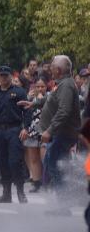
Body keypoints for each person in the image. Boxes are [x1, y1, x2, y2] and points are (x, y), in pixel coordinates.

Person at [36, 55, 81, 196]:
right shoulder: (62, 83)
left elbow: (64, 111)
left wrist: (49, 131)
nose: (50, 68)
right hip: (62, 133)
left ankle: (64, 200)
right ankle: (63, 198)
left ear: (59, 70)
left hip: (65, 133)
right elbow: (52, 98)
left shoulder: (66, 85)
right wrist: (35, 103)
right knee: (53, 161)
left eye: (53, 66)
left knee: (54, 162)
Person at [0, 66, 29, 203]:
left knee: (15, 162)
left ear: (11, 76)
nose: (4, 78)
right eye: (1, 75)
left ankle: (21, 192)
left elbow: (27, 110)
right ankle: (6, 193)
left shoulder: (19, 92)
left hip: (14, 130)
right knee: (2, 163)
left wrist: (26, 128)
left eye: (6, 75)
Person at [23, 78, 47, 192]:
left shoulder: (49, 98)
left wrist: (42, 100)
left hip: (45, 132)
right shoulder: (30, 98)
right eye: (38, 86)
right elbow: (25, 113)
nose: (40, 89)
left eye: (42, 86)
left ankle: (47, 182)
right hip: (32, 131)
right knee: (33, 159)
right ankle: (36, 183)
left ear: (46, 87)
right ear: (34, 87)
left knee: (45, 158)